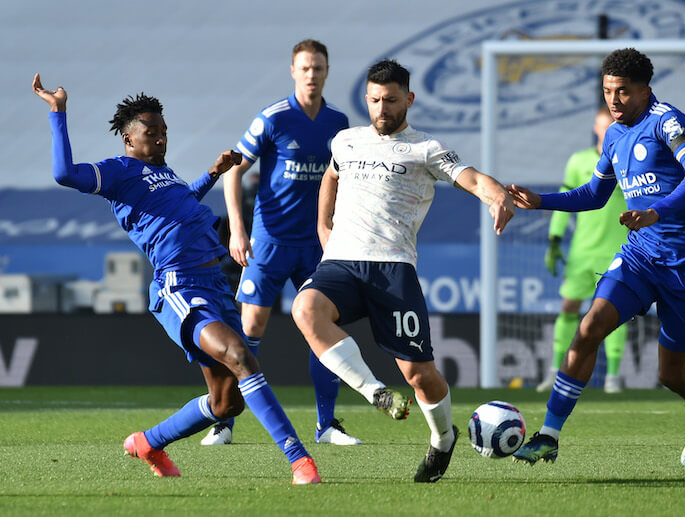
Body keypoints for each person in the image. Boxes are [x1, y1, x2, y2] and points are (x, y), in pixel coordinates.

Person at [33, 74, 321, 484]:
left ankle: (148, 441)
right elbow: (64, 173)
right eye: (151, 133)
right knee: (241, 356)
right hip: (179, 286)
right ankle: (299, 460)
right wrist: (57, 113)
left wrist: (212, 174)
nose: (161, 139)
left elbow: (183, 204)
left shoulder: (165, 175)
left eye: (164, 132)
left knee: (227, 405)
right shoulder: (119, 171)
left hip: (215, 285)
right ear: (129, 140)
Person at [291, 59, 516, 483]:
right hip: (341, 260)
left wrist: (495, 194)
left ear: (408, 99)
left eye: (391, 100)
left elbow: (468, 176)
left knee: (419, 375)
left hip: (393, 268)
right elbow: (331, 176)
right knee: (305, 309)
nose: (382, 108)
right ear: (367, 99)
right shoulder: (346, 141)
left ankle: (443, 438)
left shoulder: (425, 149)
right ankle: (374, 392)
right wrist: (324, 225)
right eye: (375, 100)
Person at [508, 48, 685, 468]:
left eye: (623, 92)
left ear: (645, 89)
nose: (613, 100)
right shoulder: (612, 134)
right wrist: (541, 202)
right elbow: (593, 194)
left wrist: (656, 211)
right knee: (589, 327)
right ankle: (549, 436)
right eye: (608, 91)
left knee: (672, 375)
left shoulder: (667, 121)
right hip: (640, 256)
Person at [202, 39, 358, 447]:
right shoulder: (274, 118)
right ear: (293, 71)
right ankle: (225, 422)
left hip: (316, 245)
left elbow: (348, 180)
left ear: (327, 71)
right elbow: (233, 170)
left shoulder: (338, 123)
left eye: (318, 68)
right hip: (268, 243)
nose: (311, 75)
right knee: (248, 328)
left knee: (323, 326)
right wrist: (238, 229)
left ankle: (327, 426)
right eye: (305, 68)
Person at [537, 106, 629, 394]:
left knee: (615, 313)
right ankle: (554, 370)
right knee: (569, 307)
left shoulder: (628, 160)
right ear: (595, 128)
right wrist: (554, 239)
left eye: (609, 125)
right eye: (601, 126)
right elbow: (566, 200)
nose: (605, 131)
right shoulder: (578, 161)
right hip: (582, 253)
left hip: (617, 252)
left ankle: (613, 377)